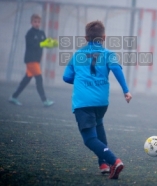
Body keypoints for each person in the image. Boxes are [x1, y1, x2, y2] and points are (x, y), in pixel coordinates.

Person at [63, 20, 132, 179]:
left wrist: (81, 80)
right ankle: (103, 164)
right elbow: (116, 69)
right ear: (104, 37)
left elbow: (66, 77)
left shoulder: (78, 54)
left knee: (89, 139)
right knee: (98, 125)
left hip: (83, 102)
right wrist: (126, 91)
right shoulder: (109, 54)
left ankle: (114, 161)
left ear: (86, 38)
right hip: (101, 102)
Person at [9, 14, 56, 107]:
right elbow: (32, 45)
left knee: (26, 80)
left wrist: (52, 44)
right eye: (35, 22)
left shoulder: (42, 33)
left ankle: (14, 97)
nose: (37, 24)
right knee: (39, 79)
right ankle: (45, 100)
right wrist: (43, 43)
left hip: (37, 61)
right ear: (31, 23)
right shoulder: (29, 33)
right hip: (31, 60)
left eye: (38, 22)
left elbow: (45, 44)